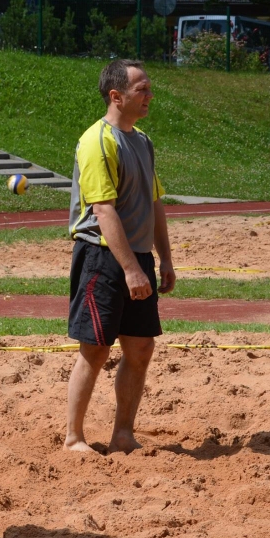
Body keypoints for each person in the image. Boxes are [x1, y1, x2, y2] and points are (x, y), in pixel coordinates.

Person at [64, 59, 175, 455]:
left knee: (141, 349)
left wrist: (164, 259)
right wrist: (129, 269)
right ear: (117, 96)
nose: (149, 95)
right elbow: (103, 210)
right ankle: (74, 437)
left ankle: (122, 434)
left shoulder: (142, 141)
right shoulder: (96, 141)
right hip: (102, 258)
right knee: (94, 349)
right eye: (142, 89)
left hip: (138, 259)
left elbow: (155, 202)